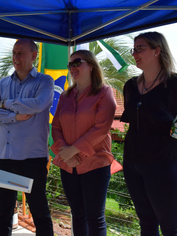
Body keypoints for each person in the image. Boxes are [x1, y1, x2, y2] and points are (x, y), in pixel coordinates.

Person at [0, 38, 54, 236]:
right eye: (14, 53)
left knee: (39, 210)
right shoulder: (3, 82)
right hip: (3, 156)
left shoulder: (44, 81)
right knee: (3, 211)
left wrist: (5, 104)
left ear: (34, 56)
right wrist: (15, 116)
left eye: (21, 53)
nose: (16, 57)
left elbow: (39, 104)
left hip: (31, 156)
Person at [51, 50, 116, 235]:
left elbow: (102, 128)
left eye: (77, 62)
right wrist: (65, 152)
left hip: (95, 163)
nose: (72, 68)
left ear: (92, 65)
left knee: (94, 217)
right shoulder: (65, 96)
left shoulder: (104, 92)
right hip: (67, 164)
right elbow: (55, 127)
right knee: (77, 215)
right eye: (70, 64)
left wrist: (73, 150)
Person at [121, 31, 177, 235]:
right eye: (133, 49)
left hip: (162, 164)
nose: (134, 53)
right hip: (132, 163)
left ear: (157, 50)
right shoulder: (130, 86)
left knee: (170, 226)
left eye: (140, 48)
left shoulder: (174, 84)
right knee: (146, 222)